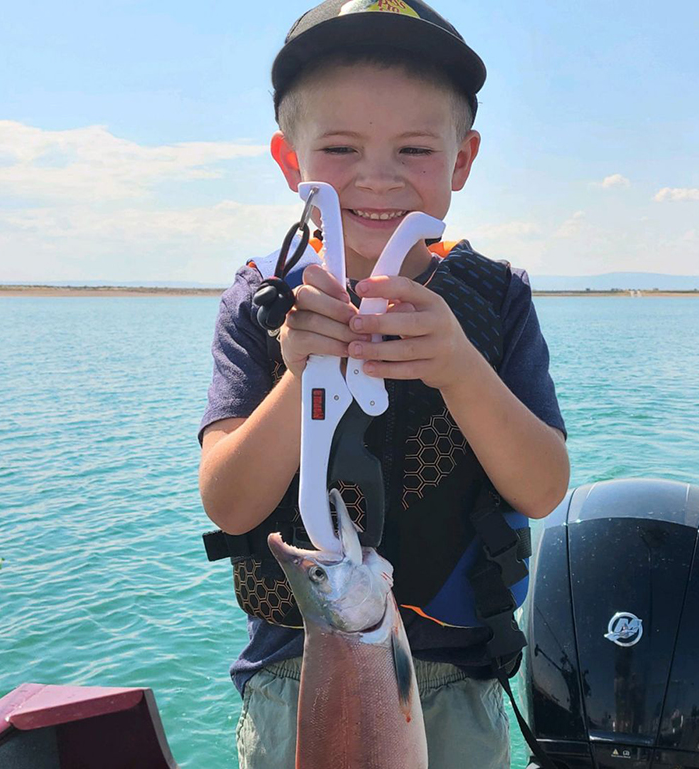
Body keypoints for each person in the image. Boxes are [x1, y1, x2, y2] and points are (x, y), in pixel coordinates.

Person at [197, 2, 569, 767]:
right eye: (339, 146)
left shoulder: (494, 301)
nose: (377, 175)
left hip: (454, 683)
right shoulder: (257, 305)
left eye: (413, 148)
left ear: (462, 161)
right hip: (295, 684)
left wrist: (460, 366)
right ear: (288, 160)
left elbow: (542, 487)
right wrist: (299, 375)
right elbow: (229, 500)